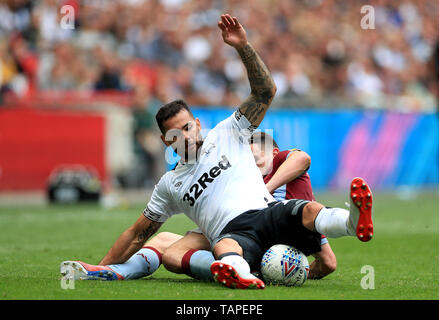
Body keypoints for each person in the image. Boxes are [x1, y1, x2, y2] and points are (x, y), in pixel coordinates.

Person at [61, 14, 373, 290]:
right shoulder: (170, 185)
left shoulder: (228, 132)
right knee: (218, 247)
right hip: (233, 235)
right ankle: (240, 276)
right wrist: (104, 266)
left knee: (306, 210)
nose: (183, 136)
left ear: (196, 124)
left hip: (267, 214)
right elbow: (137, 234)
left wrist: (242, 47)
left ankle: (353, 222)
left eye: (186, 127)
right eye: (174, 134)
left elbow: (265, 91)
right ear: (165, 141)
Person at [61, 131, 336, 282]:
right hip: (239, 229)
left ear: (273, 153)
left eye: (256, 157)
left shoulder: (285, 166)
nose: (251, 163)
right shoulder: (241, 177)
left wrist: (263, 190)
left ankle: (241, 268)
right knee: (167, 243)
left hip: (277, 230)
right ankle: (114, 272)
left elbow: (301, 159)